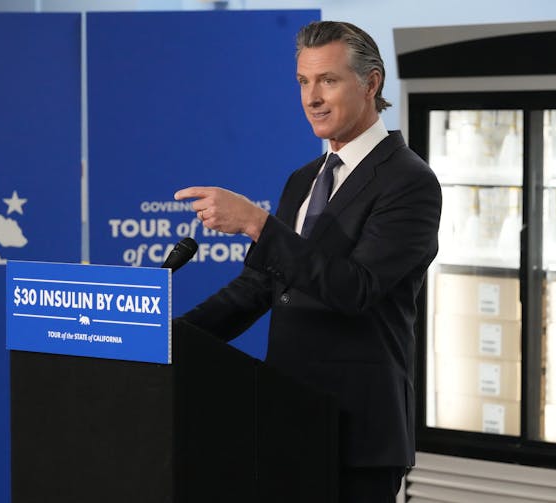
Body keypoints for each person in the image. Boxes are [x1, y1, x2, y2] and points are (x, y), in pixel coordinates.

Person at [174, 20, 441, 503]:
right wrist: (172, 336)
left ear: (371, 83)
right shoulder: (304, 178)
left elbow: (354, 288)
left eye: (328, 80)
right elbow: (257, 288)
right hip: (288, 420)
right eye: (303, 82)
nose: (312, 97)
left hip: (360, 435)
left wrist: (258, 225)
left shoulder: (409, 181)